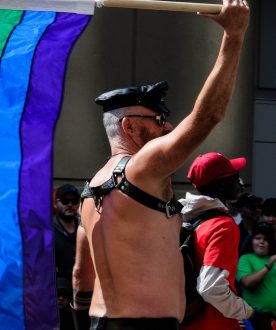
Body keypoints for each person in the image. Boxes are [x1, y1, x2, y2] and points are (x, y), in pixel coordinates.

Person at [76, 0, 250, 328]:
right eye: (158, 119)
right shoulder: (141, 169)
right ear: (129, 126)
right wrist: (235, 36)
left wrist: (76, 317)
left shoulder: (91, 190)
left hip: (101, 320)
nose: (167, 127)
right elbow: (207, 117)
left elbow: (80, 275)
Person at [180, 152, 254, 329]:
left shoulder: (186, 220)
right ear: (221, 185)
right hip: (215, 323)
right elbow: (211, 288)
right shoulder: (223, 225)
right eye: (235, 177)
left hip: (186, 321)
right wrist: (250, 313)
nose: (240, 181)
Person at [236, 222, 276, 330]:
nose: (261, 242)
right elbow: (247, 283)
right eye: (258, 238)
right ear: (252, 241)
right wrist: (268, 266)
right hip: (254, 318)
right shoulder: (245, 259)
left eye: (266, 239)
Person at [53, 184, 81, 330]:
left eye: (74, 200)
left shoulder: (85, 229)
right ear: (56, 203)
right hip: (59, 299)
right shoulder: (48, 232)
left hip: (83, 296)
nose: (70, 204)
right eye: (65, 200)